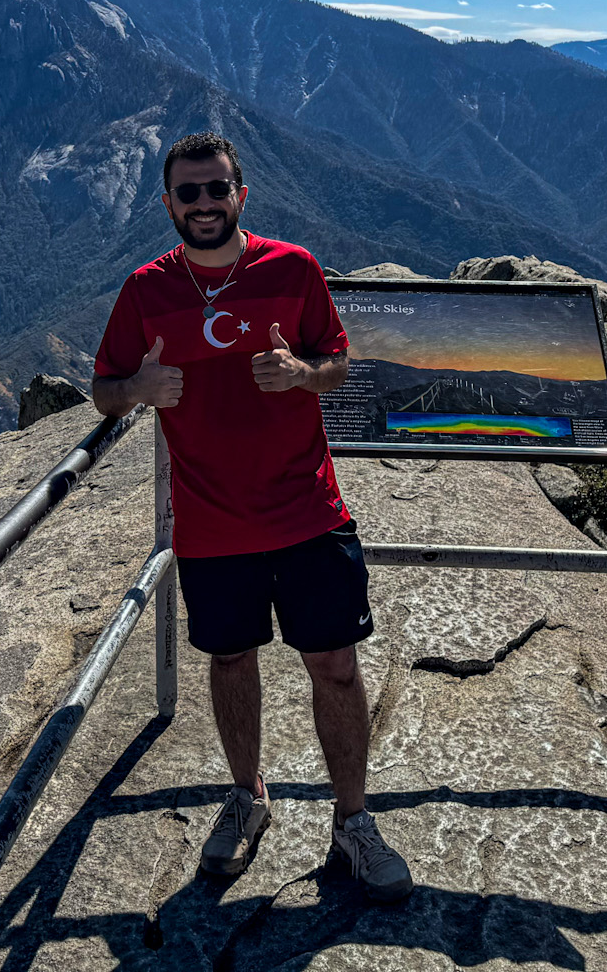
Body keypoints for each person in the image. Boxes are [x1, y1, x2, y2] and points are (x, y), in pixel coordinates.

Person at [90, 132, 413, 903]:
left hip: (307, 512)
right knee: (230, 662)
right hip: (211, 526)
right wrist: (141, 385)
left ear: (243, 194)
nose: (204, 203)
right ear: (168, 202)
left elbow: (338, 365)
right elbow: (103, 388)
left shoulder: (293, 269)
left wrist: (303, 373)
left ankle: (354, 822)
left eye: (217, 188)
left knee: (335, 665)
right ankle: (247, 796)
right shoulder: (145, 291)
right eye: (189, 192)